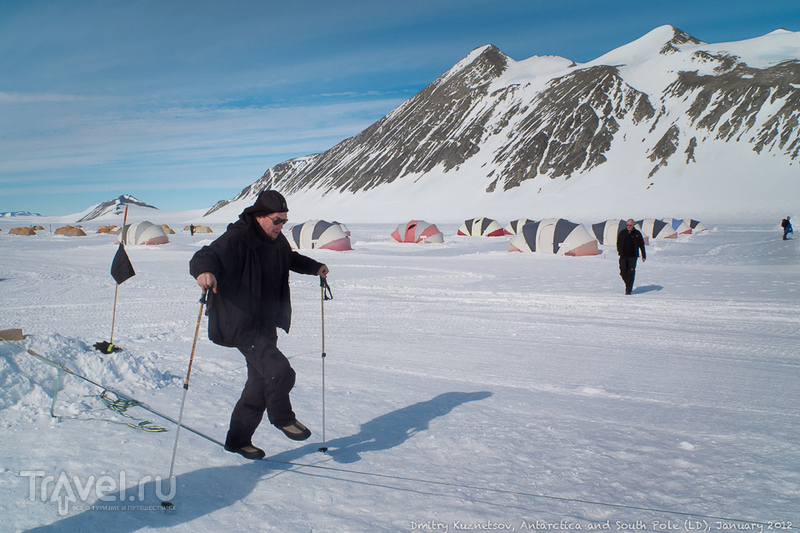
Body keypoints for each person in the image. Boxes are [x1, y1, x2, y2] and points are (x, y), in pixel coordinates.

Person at [189, 190, 329, 460]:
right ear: (260, 216)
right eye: (277, 220)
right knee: (280, 371)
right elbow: (206, 255)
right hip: (241, 322)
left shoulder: (276, 240)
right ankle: (282, 417)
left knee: (257, 385)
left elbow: (290, 259)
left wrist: (315, 267)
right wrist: (204, 272)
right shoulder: (239, 237)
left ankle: (238, 441)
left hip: (266, 323)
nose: (280, 226)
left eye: (284, 222)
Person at [616, 219, 646, 295]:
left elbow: (641, 245)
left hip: (633, 256)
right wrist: (619, 251)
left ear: (633, 225)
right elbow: (618, 242)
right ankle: (627, 283)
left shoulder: (637, 234)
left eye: (630, 225)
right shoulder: (622, 233)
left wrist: (643, 255)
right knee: (623, 272)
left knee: (631, 272)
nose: (629, 227)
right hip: (623, 256)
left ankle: (628, 289)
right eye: (627, 225)